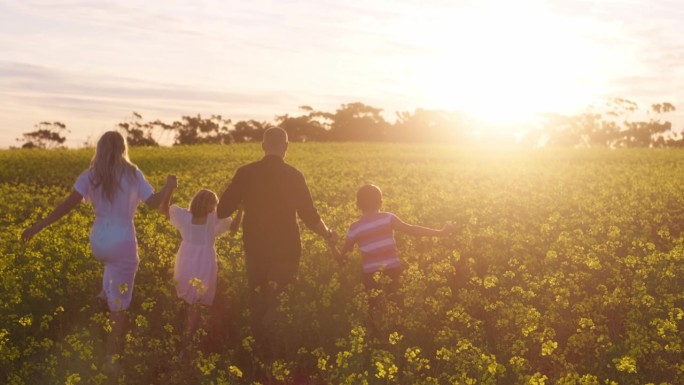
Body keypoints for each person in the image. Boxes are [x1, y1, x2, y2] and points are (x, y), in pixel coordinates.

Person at [21, 131, 177, 376]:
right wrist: (169, 187)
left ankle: (98, 304)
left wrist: (37, 226)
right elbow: (153, 203)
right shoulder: (132, 173)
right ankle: (110, 359)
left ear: (100, 148)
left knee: (110, 276)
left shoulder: (91, 174)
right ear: (123, 148)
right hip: (122, 241)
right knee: (120, 306)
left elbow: (66, 205)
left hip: (99, 241)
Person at [216, 126, 336, 353]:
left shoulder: (245, 173)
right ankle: (275, 355)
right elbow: (310, 217)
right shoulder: (294, 175)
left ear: (262, 146)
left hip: (255, 248)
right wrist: (328, 234)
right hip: (287, 250)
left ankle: (256, 354)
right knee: (278, 303)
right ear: (286, 147)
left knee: (258, 302)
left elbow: (222, 210)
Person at [330, 184, 452, 331]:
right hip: (393, 270)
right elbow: (412, 230)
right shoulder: (388, 218)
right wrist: (440, 232)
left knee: (374, 312)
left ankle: (376, 338)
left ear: (358, 205)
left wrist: (332, 244)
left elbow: (343, 259)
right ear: (381, 202)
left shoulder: (355, 228)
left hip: (370, 276)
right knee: (396, 306)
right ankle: (398, 335)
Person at [159, 187, 241, 357]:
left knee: (188, 301)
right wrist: (241, 209)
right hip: (204, 262)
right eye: (213, 204)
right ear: (209, 205)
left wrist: (170, 190)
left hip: (186, 260)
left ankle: (183, 340)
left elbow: (163, 209)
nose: (214, 207)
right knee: (195, 304)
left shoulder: (184, 216)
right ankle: (188, 344)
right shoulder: (213, 218)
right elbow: (233, 227)